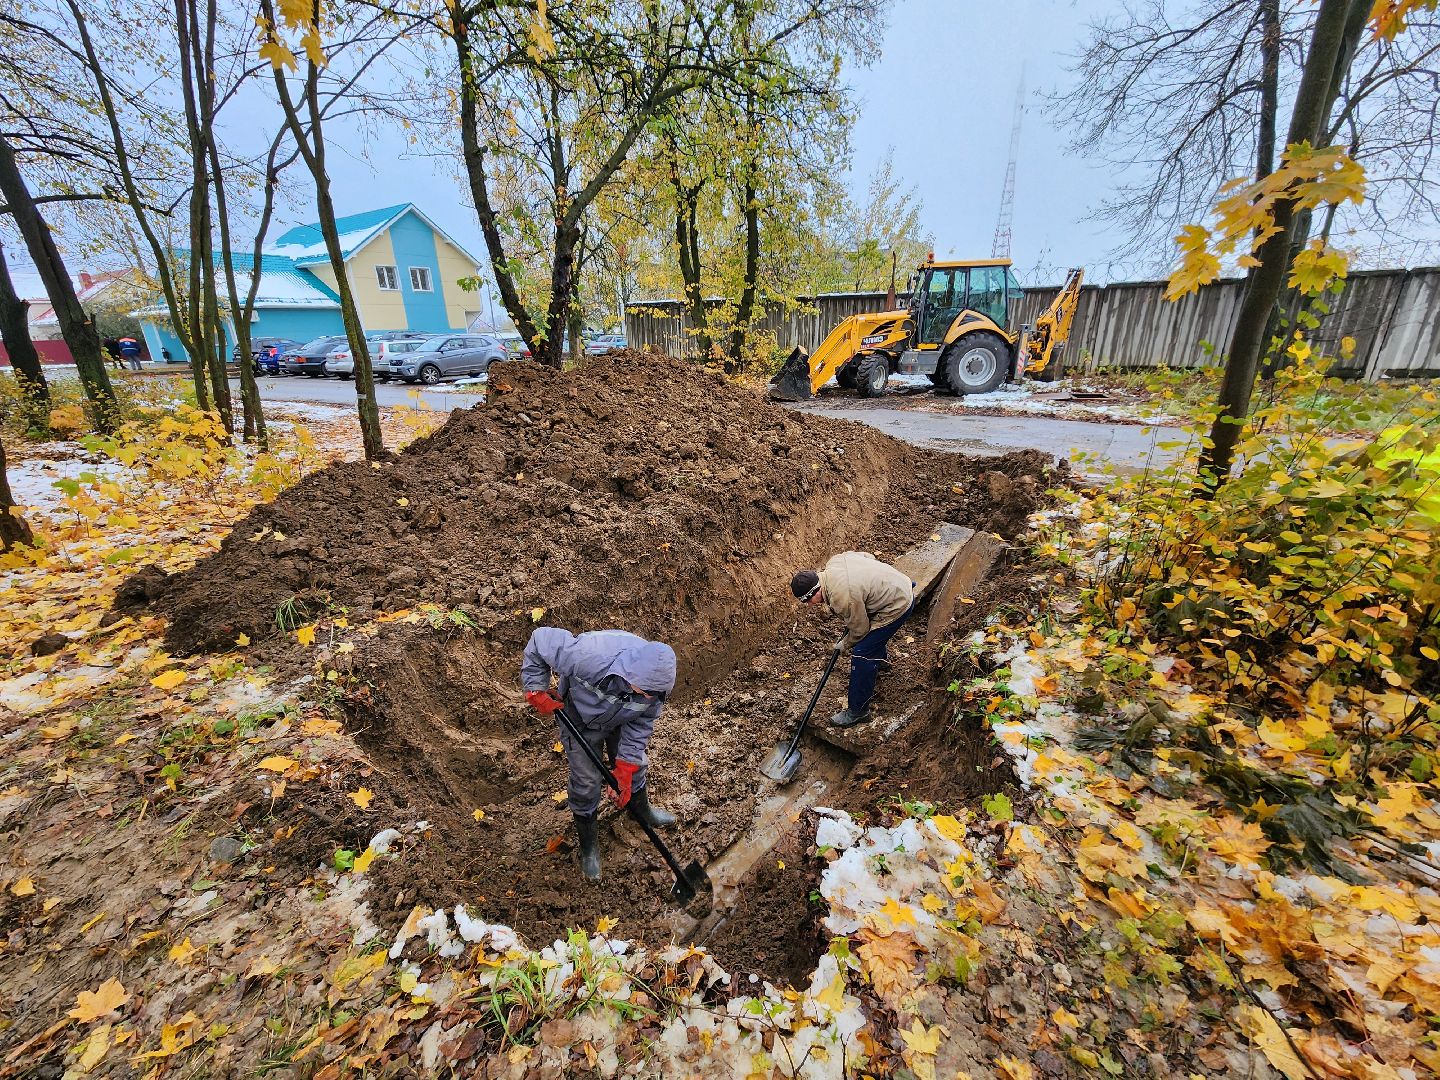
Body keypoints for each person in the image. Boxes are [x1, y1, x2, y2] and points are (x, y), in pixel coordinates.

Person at [521, 626, 678, 882]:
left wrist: (625, 769)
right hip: (579, 718)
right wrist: (535, 687)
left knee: (636, 764)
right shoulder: (588, 655)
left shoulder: (655, 692)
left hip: (619, 721)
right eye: (644, 691)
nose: (647, 698)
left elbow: (639, 728)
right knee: (586, 781)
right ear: (632, 674)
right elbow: (540, 639)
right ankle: (589, 847)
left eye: (653, 695)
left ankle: (642, 812)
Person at [791, 552, 915, 729]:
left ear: (816, 590)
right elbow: (868, 556)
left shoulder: (842, 597)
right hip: (897, 582)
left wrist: (845, 644)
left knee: (863, 652)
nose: (810, 604)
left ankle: (858, 712)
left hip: (897, 604)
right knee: (871, 638)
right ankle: (880, 662)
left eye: (809, 600)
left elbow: (860, 630)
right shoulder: (835, 562)